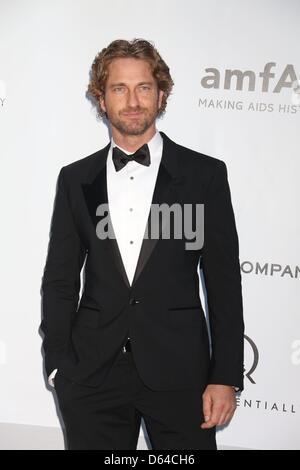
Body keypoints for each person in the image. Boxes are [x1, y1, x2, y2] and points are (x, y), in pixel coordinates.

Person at [40, 38, 244, 450]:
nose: (132, 101)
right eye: (119, 88)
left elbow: (223, 282)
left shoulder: (204, 175)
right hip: (90, 375)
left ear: (161, 93)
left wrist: (225, 376)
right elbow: (60, 278)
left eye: (144, 87)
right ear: (101, 98)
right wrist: (58, 365)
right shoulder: (75, 179)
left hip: (180, 375)